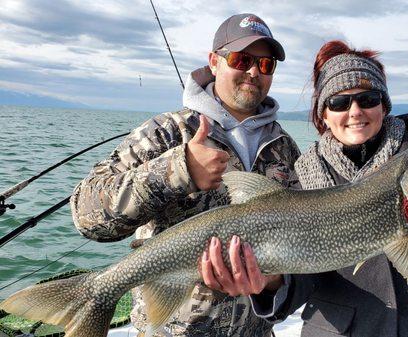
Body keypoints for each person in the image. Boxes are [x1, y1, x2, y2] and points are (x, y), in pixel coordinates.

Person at [201, 40, 408, 337]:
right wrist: (267, 283)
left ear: (384, 105)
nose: (356, 111)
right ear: (323, 116)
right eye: (339, 103)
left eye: (368, 98)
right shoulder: (301, 180)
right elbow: (299, 283)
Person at [70, 13, 300, 337]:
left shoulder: (287, 149)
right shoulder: (167, 132)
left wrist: (273, 283)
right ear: (215, 62)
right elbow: (86, 212)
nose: (252, 71)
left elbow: (298, 251)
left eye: (265, 65)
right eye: (241, 59)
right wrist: (177, 170)